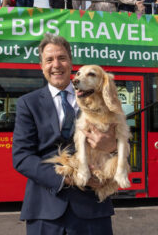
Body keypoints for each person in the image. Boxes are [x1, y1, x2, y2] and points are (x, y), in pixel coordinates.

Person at [12, 33, 118, 234]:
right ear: (41, 66)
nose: (56, 65)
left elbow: (121, 144)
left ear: (71, 62)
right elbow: (22, 157)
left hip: (93, 208)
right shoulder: (28, 103)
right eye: (49, 60)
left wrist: (111, 147)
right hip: (44, 210)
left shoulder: (101, 99)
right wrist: (68, 178)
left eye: (61, 58)